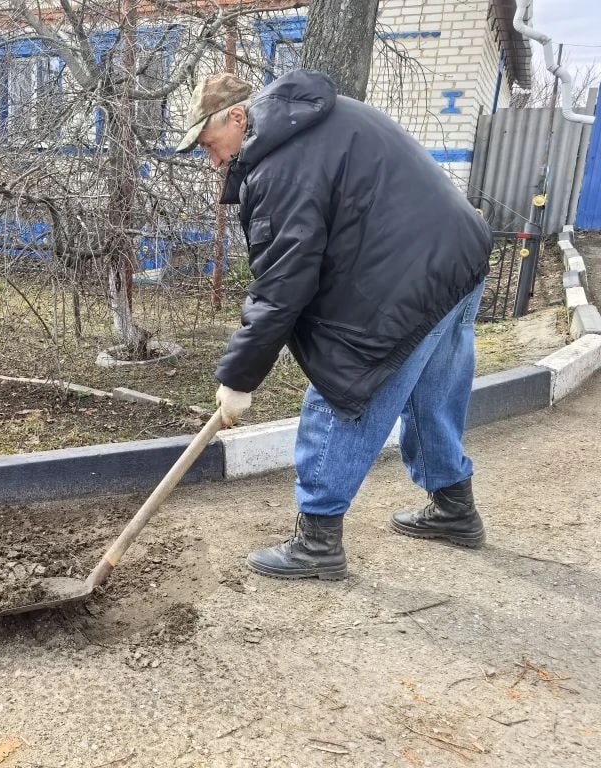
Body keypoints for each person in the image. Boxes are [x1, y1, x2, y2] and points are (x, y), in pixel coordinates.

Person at [175, 69, 493, 581]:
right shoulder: (316, 118)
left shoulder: (283, 164)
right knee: (431, 391)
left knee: (345, 391)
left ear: (238, 117)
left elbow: (283, 284)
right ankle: (455, 508)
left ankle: (317, 541)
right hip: (458, 256)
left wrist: (238, 378)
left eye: (211, 145)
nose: (213, 161)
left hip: (408, 279)